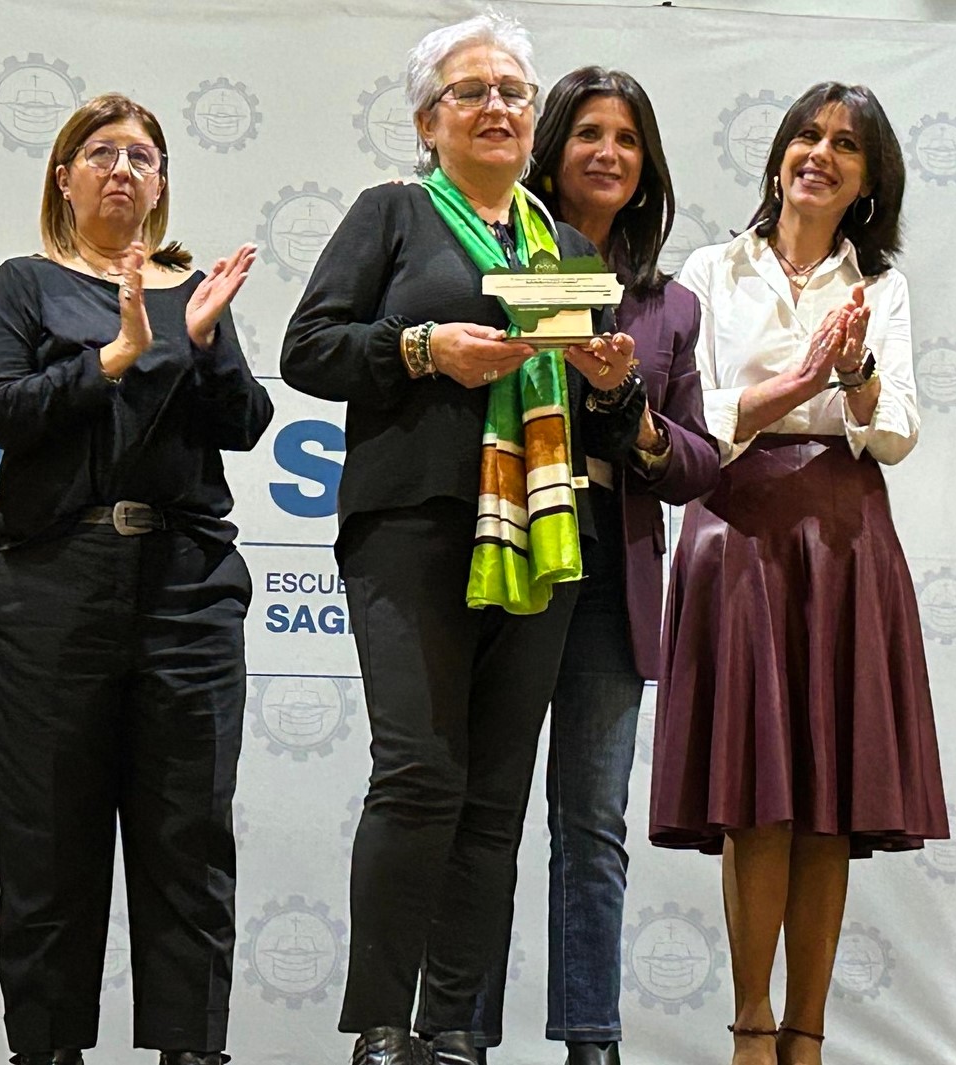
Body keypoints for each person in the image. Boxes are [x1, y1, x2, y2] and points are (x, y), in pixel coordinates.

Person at [280, 14, 647, 1065]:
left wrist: (613, 387)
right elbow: (308, 348)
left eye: (513, 93)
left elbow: (601, 413)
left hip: (542, 535)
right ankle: (381, 1027)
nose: (496, 107)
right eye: (470, 91)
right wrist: (422, 348)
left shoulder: (567, 248)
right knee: (418, 775)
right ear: (427, 122)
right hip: (411, 525)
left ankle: (452, 1031)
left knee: (493, 797)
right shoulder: (392, 214)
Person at [649, 82, 948, 1065]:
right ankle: (750, 1026)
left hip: (845, 536)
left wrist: (853, 374)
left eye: (846, 146)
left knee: (829, 796)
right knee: (754, 789)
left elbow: (894, 431)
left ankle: (806, 1033)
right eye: (807, 137)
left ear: (869, 183)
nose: (820, 154)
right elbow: (697, 416)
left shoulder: (881, 288)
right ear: (778, 156)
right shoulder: (708, 270)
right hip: (734, 527)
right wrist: (799, 384)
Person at [0, 92, 271, 1065]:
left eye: (142, 156)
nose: (123, 170)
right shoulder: (27, 284)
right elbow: (4, 409)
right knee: (49, 847)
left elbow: (244, 424)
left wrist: (204, 342)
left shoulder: (195, 289)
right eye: (101, 153)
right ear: (64, 178)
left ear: (161, 182)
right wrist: (116, 356)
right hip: (51, 587)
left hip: (185, 589)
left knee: (190, 841)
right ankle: (47, 1050)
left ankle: (193, 1051)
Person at [465, 66, 719, 1065]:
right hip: (509, 554)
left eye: (627, 138)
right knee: (483, 807)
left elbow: (695, 461)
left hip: (613, 575)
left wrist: (634, 415)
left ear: (646, 164)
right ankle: (459, 1030)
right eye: (587, 134)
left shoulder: (668, 305)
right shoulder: (498, 262)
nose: (607, 153)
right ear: (550, 149)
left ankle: (591, 1039)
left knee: (593, 822)